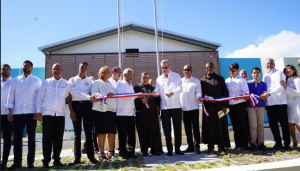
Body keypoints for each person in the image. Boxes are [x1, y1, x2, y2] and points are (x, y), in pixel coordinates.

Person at [35, 63, 97, 168]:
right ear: (52, 70)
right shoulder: (46, 82)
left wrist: (89, 97)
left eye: (58, 69)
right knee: (47, 139)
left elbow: (77, 93)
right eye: (55, 69)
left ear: (61, 71)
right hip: (47, 114)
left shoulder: (66, 83)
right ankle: (46, 161)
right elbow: (40, 97)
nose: (56, 71)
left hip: (60, 114)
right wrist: (38, 111)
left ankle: (57, 160)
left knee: (58, 139)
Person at [6, 60, 42, 169]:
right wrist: (9, 112)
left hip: (31, 113)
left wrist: (37, 111)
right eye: (25, 65)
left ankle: (30, 162)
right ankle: (17, 162)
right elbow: (10, 96)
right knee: (17, 139)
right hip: (17, 113)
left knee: (31, 138)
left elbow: (39, 98)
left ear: (32, 68)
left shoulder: (37, 81)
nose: (27, 67)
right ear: (22, 67)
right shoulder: (15, 81)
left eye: (29, 66)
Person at [67, 62, 98, 165]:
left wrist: (105, 95)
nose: (83, 69)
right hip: (76, 106)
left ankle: (91, 156)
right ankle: (77, 158)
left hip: (87, 107)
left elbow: (95, 93)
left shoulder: (90, 81)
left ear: (87, 69)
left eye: (85, 67)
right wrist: (71, 111)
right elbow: (72, 95)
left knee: (89, 132)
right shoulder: (72, 80)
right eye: (82, 67)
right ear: (78, 67)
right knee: (77, 133)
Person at [154, 59, 184, 156]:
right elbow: (156, 92)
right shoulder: (159, 79)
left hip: (176, 106)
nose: (164, 69)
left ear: (169, 67)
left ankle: (178, 149)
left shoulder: (176, 76)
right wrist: (153, 93)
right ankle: (169, 150)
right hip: (165, 107)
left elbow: (180, 88)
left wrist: (173, 93)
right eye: (162, 68)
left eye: (166, 67)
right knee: (166, 130)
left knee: (177, 128)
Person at [200, 62, 230, 152]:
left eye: (210, 67)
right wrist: (207, 98)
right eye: (207, 67)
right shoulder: (202, 80)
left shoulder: (220, 79)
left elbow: (225, 92)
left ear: (214, 67)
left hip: (220, 107)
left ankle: (221, 145)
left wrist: (225, 105)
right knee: (210, 126)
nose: (208, 69)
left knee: (221, 125)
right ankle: (211, 145)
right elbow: (201, 93)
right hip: (208, 107)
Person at [262, 58, 291, 150]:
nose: (269, 65)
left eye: (271, 63)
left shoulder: (279, 73)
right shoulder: (265, 76)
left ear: (274, 64)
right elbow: (264, 89)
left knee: (284, 125)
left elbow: (281, 87)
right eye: (267, 64)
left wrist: (270, 94)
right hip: (270, 104)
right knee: (273, 125)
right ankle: (278, 143)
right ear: (265, 65)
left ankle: (287, 144)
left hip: (280, 102)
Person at [91, 66, 117, 162]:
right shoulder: (97, 82)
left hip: (112, 110)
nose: (109, 73)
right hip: (100, 110)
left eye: (110, 72)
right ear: (102, 73)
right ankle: (101, 154)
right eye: (108, 72)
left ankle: (110, 152)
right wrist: (106, 95)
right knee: (101, 132)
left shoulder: (111, 83)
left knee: (111, 131)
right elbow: (94, 93)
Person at [116, 68, 143, 159]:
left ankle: (131, 151)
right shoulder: (120, 84)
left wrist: (136, 96)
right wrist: (136, 95)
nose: (131, 77)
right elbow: (124, 96)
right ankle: (123, 152)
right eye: (130, 75)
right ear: (124, 75)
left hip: (131, 113)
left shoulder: (131, 85)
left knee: (131, 134)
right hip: (122, 113)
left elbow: (132, 99)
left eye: (132, 75)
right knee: (123, 134)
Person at [134, 72, 162, 157]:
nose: (146, 79)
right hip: (142, 114)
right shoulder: (136, 87)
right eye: (144, 78)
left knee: (154, 131)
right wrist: (140, 101)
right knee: (143, 131)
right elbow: (133, 99)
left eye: (147, 77)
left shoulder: (152, 88)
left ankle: (155, 149)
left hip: (152, 113)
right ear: (140, 78)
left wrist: (157, 104)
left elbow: (158, 99)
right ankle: (144, 150)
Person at [225, 63, 249, 150]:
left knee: (242, 124)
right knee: (235, 125)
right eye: (230, 70)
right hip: (231, 105)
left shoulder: (241, 80)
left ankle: (244, 145)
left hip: (240, 104)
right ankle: (237, 144)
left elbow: (246, 93)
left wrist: (238, 96)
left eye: (233, 70)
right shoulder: (227, 80)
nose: (231, 72)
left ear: (237, 70)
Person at [180, 64, 202, 154]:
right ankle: (190, 146)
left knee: (196, 128)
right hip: (184, 108)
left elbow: (198, 92)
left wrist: (199, 97)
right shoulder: (180, 81)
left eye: (188, 69)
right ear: (183, 71)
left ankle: (197, 147)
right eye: (185, 69)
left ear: (191, 70)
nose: (186, 71)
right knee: (187, 128)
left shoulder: (196, 81)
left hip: (194, 108)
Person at [247, 67, 268, 151]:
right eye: (254, 73)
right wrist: (259, 97)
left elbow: (264, 97)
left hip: (261, 106)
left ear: (260, 74)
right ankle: (253, 143)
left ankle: (261, 143)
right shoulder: (248, 84)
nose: (256, 74)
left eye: (257, 73)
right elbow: (247, 97)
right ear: (252, 74)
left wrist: (256, 97)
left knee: (261, 126)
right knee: (253, 126)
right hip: (251, 107)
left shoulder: (263, 84)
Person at [281, 65, 300, 148]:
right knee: (290, 125)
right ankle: (295, 142)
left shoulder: (296, 79)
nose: (287, 70)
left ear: (293, 70)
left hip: (296, 104)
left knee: (297, 124)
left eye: (289, 68)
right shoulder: (284, 80)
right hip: (287, 104)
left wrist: (286, 88)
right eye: (285, 69)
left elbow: (298, 92)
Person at [1, 64, 13, 170]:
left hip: (7, 116)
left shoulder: (13, 82)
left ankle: (4, 162)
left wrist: (11, 113)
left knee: (7, 140)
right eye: (3, 69)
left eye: (7, 69)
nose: (5, 71)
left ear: (10, 71)